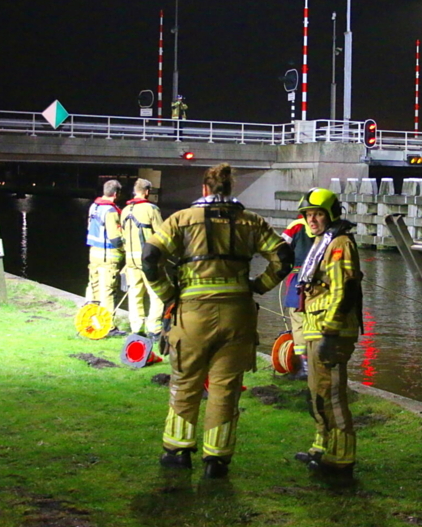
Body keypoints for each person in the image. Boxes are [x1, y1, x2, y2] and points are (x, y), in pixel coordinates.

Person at [142, 163, 292, 479]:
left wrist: (168, 294)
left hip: (192, 314)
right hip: (237, 313)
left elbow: (149, 258)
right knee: (226, 387)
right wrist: (257, 286)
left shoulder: (181, 220)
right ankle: (216, 461)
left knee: (185, 381)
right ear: (230, 189)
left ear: (204, 189)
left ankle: (178, 452)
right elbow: (283, 258)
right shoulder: (252, 222)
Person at [293, 187, 363, 479]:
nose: (312, 220)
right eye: (308, 214)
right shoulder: (323, 242)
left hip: (330, 332)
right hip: (315, 329)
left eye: (318, 214)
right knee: (316, 394)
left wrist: (331, 333)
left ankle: (341, 460)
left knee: (332, 395)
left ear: (331, 214)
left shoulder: (340, 243)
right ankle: (321, 447)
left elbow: (342, 290)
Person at [120, 178, 164, 338]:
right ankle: (154, 328)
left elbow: (122, 236)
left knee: (135, 294)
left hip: (130, 261)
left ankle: (137, 329)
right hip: (147, 260)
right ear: (147, 192)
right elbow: (162, 234)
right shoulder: (151, 209)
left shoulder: (124, 210)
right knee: (156, 294)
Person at [85, 179, 126, 333]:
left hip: (93, 253)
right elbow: (115, 237)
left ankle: (89, 320)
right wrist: (125, 248)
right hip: (107, 256)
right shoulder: (110, 211)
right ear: (116, 194)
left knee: (93, 287)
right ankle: (108, 326)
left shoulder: (94, 206)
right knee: (108, 290)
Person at [281, 214, 316, 379]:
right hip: (320, 282)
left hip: (298, 281)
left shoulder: (295, 225)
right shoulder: (329, 226)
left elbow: (280, 250)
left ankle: (304, 367)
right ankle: (317, 365)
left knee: (298, 323)